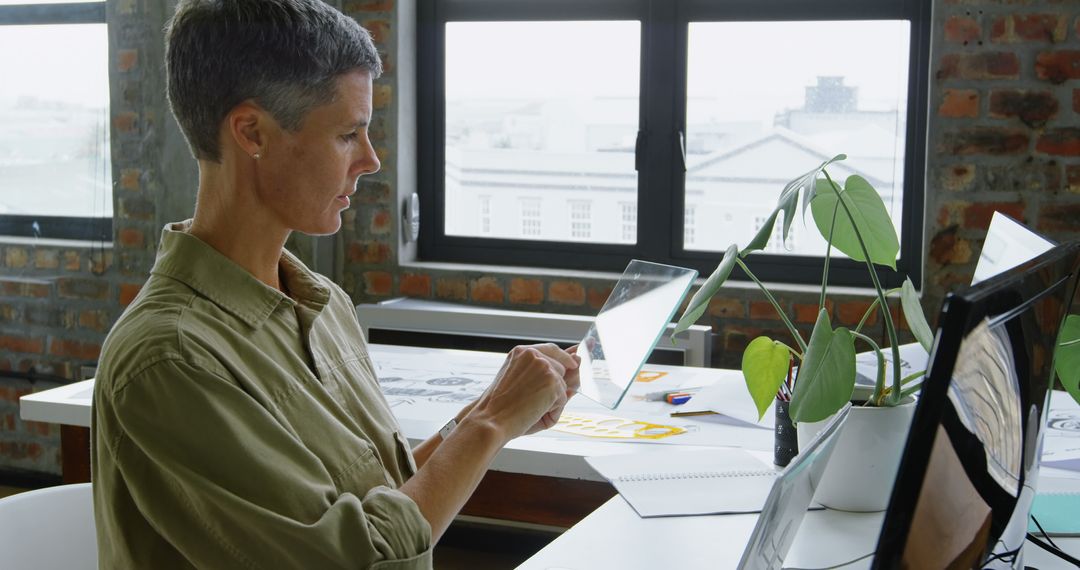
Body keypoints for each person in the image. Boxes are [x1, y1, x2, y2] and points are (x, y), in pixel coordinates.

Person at [91, 0, 580, 567]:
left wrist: (493, 409)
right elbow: (356, 558)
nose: (370, 160)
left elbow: (387, 502)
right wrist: (491, 425)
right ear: (252, 131)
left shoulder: (325, 305)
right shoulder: (171, 359)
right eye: (349, 134)